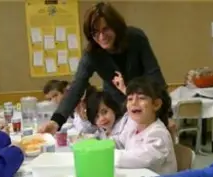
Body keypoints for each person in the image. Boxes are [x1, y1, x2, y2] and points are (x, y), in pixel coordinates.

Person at [39, 2, 166, 134]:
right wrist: (56, 121)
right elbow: (76, 87)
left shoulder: (135, 38)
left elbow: (154, 75)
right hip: (116, 108)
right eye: (95, 32)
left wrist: (166, 114)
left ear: (116, 26)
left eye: (105, 29)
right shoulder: (92, 54)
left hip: (144, 102)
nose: (101, 37)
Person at [114, 77, 176, 175]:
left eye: (141, 98)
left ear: (156, 104)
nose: (134, 102)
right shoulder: (134, 125)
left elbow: (139, 159)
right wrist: (100, 144)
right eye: (130, 99)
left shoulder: (159, 134)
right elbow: (119, 142)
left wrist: (105, 154)